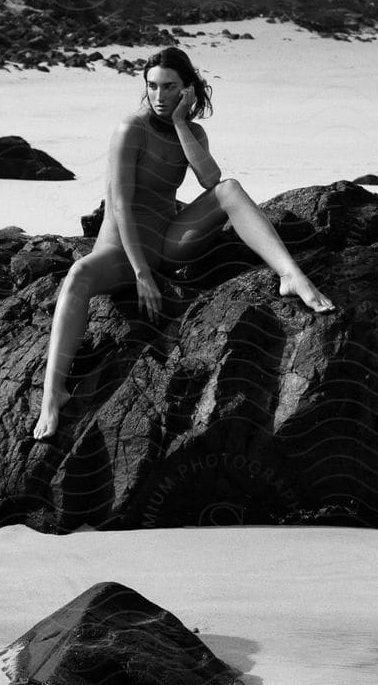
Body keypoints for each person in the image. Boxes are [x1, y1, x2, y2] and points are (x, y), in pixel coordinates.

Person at [33, 45, 335, 439]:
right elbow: (120, 206)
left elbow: (212, 181)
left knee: (230, 189)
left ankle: (291, 274)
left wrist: (180, 124)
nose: (159, 96)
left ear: (187, 89)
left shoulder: (192, 131)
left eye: (169, 87)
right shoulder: (131, 128)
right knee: (77, 274)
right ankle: (53, 393)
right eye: (153, 87)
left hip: (168, 242)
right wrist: (142, 274)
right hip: (121, 251)